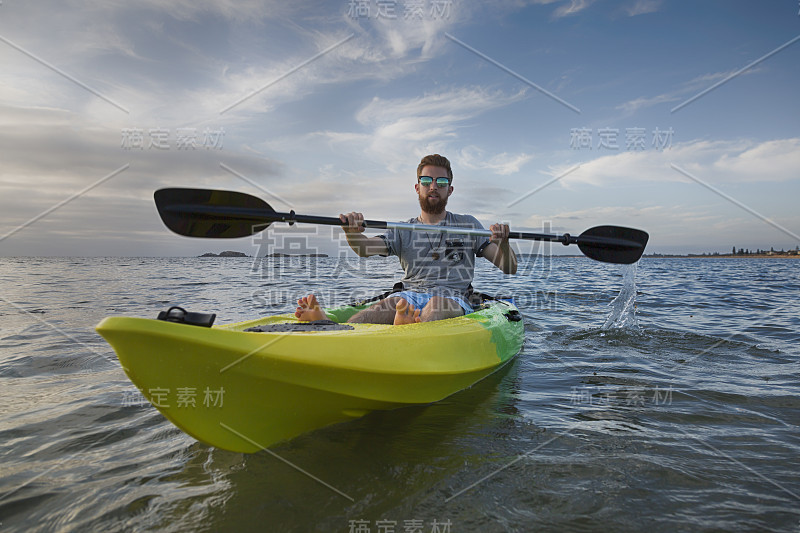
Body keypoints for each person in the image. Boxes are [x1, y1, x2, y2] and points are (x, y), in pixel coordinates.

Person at [296, 154, 517, 325]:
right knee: (392, 303)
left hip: (453, 298)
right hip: (410, 294)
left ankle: (409, 330)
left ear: (450, 189)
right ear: (417, 187)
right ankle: (327, 325)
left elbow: (508, 267)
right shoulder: (402, 229)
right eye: (426, 180)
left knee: (437, 304)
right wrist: (352, 233)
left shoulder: (468, 224)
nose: (433, 186)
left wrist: (504, 244)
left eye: (441, 181)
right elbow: (365, 248)